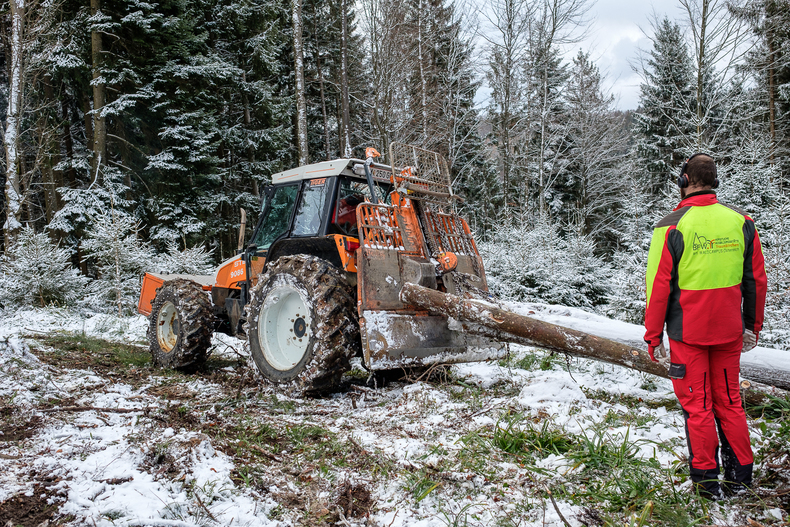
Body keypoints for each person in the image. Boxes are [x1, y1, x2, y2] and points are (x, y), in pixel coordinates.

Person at [644, 153, 767, 499]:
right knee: (729, 402)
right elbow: (756, 279)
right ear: (714, 181)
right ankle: (741, 478)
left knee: (698, 407)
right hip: (729, 331)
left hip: (688, 335)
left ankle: (707, 483)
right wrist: (752, 325)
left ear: (684, 182)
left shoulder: (669, 226)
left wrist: (653, 335)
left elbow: (658, 287)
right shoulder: (741, 222)